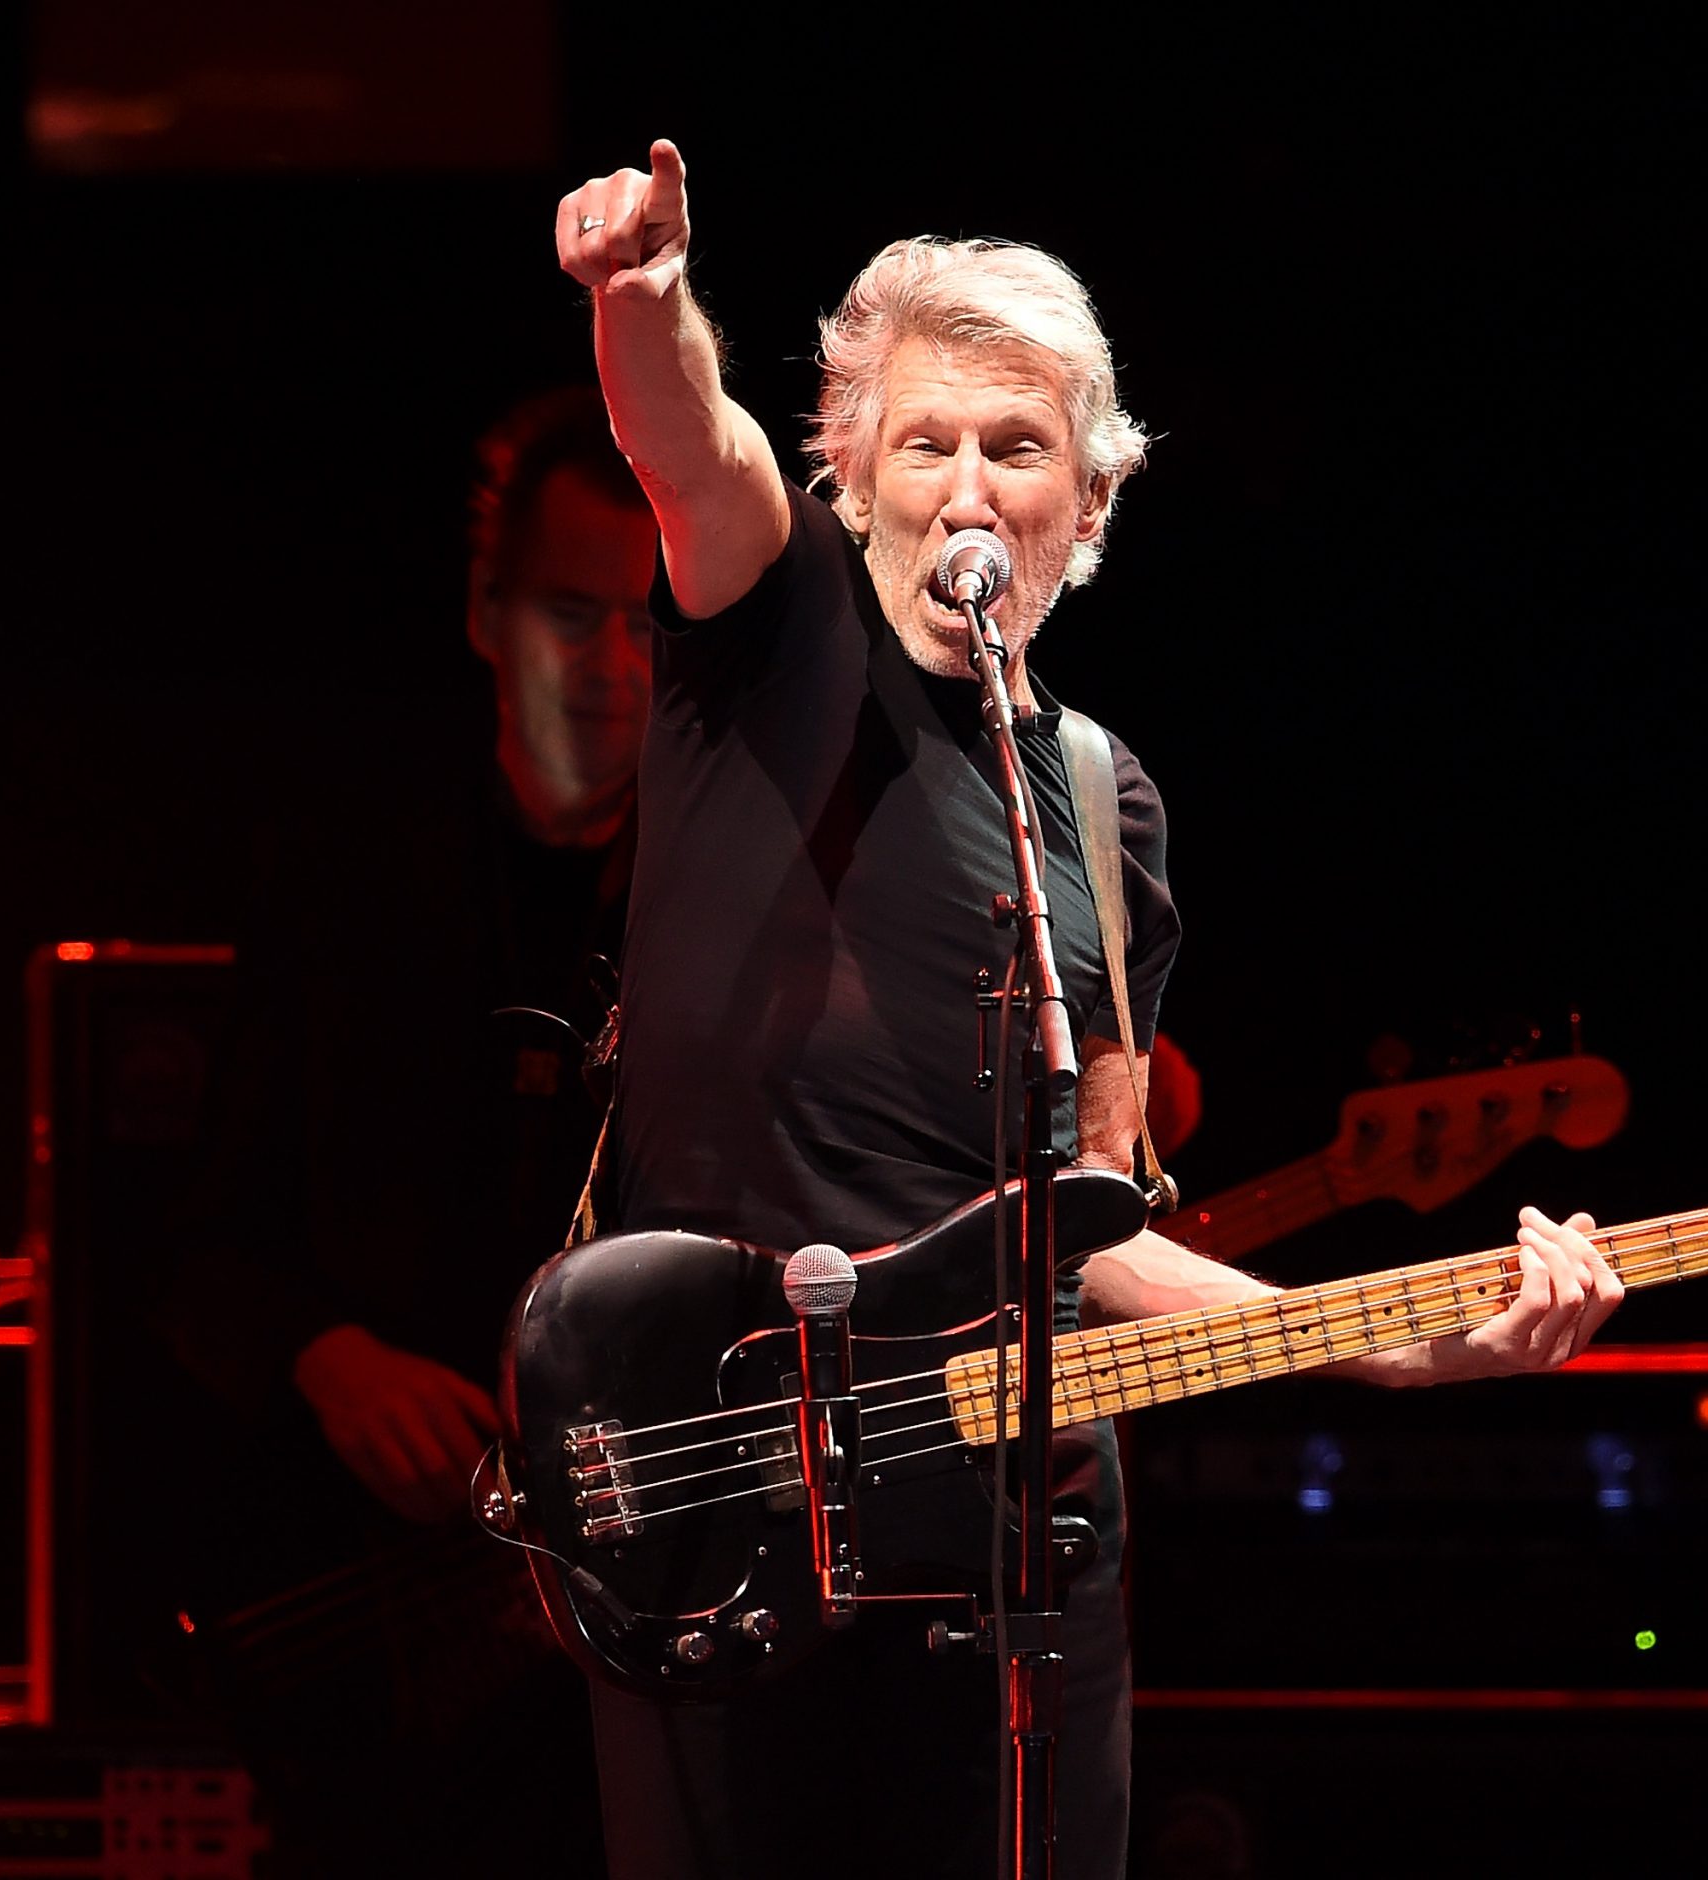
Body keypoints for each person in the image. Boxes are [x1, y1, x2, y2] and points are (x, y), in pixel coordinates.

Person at [557, 140, 1625, 1880]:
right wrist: (644, 297)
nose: (968, 489)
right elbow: (692, 448)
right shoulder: (777, 629)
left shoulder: (1100, 799)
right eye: (925, 445)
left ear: (1090, 508)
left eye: (1018, 448)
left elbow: (1093, 1232)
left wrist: (1411, 1338)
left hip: (1018, 1540)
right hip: (729, 1505)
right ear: (853, 478)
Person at [163, 388, 654, 1876]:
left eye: (649, 625)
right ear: (484, 615)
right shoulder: (347, 886)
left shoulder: (726, 906)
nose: (615, 667)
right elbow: (202, 1247)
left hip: (633, 1641)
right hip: (385, 1647)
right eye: (572, 614)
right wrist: (333, 1361)